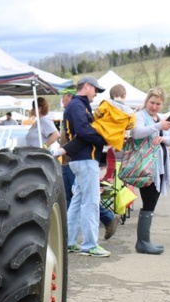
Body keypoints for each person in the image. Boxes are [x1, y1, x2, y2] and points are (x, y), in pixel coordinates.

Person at [63, 76, 110, 257]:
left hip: (79, 159)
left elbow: (81, 131)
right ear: (87, 87)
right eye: (95, 90)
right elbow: (83, 131)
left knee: (77, 201)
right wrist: (105, 139)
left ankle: (69, 241)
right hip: (85, 159)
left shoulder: (75, 105)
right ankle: (89, 245)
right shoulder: (78, 105)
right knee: (90, 202)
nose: (96, 94)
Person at [130, 86, 170, 255]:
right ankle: (142, 242)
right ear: (146, 101)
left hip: (159, 167)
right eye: (152, 102)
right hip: (146, 166)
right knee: (149, 201)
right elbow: (136, 133)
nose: (154, 106)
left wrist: (163, 137)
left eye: (158, 103)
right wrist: (158, 126)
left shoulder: (162, 119)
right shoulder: (140, 116)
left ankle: (144, 241)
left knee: (152, 202)